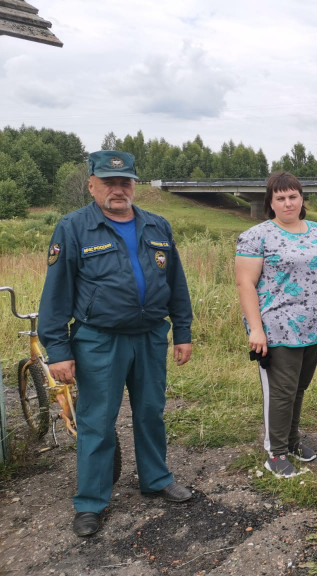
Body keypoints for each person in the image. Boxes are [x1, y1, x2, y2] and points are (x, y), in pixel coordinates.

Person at [38, 151, 194, 537]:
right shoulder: (74, 228)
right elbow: (55, 296)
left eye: (125, 182)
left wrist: (183, 331)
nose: (118, 189)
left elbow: (176, 283)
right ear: (92, 184)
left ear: (134, 185)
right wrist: (58, 351)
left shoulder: (157, 225)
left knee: (150, 412)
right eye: (109, 182)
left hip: (151, 336)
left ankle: (156, 479)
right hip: (98, 340)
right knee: (97, 421)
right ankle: (91, 502)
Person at [235, 171, 317, 479]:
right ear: (271, 202)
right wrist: (256, 329)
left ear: (301, 199)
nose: (288, 203)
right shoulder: (256, 236)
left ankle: (291, 441)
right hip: (279, 327)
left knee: (299, 387)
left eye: (293, 196)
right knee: (282, 390)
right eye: (280, 198)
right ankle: (275, 454)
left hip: (316, 326)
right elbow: (245, 283)